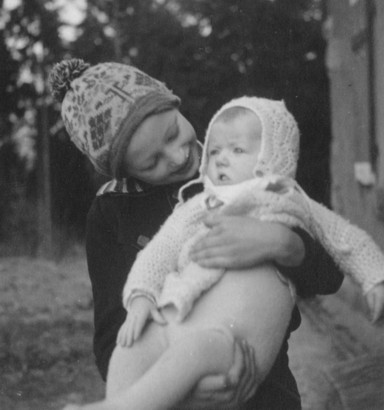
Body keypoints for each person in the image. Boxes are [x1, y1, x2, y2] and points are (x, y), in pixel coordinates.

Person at [49, 59, 344, 410]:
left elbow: (331, 273)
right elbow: (113, 338)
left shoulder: (246, 163)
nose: (175, 157)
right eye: (150, 163)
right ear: (125, 169)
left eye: (173, 133)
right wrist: (186, 390)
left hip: (264, 386)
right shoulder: (111, 211)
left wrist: (286, 244)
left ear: (174, 104)